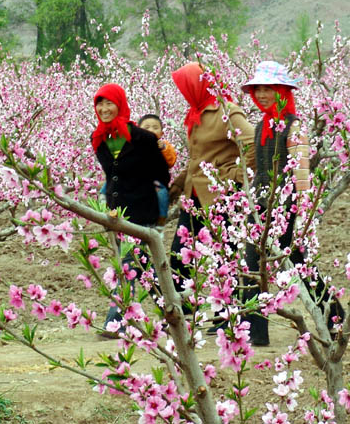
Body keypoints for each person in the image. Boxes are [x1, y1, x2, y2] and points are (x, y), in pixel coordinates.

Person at [240, 61, 344, 346]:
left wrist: (300, 215)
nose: (261, 94)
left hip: (285, 208)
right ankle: (256, 331)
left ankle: (332, 314)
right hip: (261, 205)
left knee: (288, 265)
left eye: (267, 89)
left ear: (281, 91)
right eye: (257, 89)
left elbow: (301, 174)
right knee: (265, 264)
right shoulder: (262, 123)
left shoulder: (293, 126)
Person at [168, 62, 256, 312]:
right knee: (180, 254)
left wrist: (234, 175)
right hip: (193, 195)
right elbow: (198, 157)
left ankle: (226, 315)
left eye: (185, 86)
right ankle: (182, 311)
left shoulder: (227, 111)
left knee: (223, 257)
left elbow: (251, 144)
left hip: (220, 197)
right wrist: (177, 185)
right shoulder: (196, 113)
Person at [92, 84, 170, 334]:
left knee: (127, 266)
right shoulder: (99, 139)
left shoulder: (143, 139)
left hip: (140, 212)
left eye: (109, 103)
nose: (104, 109)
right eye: (99, 104)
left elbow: (162, 175)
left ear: (120, 104)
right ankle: (172, 311)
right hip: (116, 213)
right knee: (144, 267)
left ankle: (117, 322)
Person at [138, 114, 177, 223]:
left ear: (161, 133)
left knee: (161, 194)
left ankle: (160, 220)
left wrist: (163, 149)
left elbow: (171, 161)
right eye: (146, 128)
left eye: (155, 128)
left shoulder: (164, 146)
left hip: (157, 184)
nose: (151, 130)